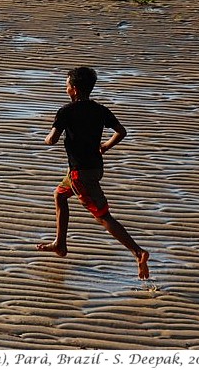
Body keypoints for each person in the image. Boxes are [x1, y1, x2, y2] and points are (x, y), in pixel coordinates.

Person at [37, 66, 150, 279]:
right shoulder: (100, 109)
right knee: (59, 195)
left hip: (81, 174)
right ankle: (60, 244)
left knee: (102, 215)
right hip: (94, 169)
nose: (65, 87)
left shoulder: (66, 112)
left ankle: (138, 252)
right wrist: (105, 147)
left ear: (75, 89)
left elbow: (51, 139)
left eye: (67, 84)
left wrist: (47, 138)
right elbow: (121, 132)